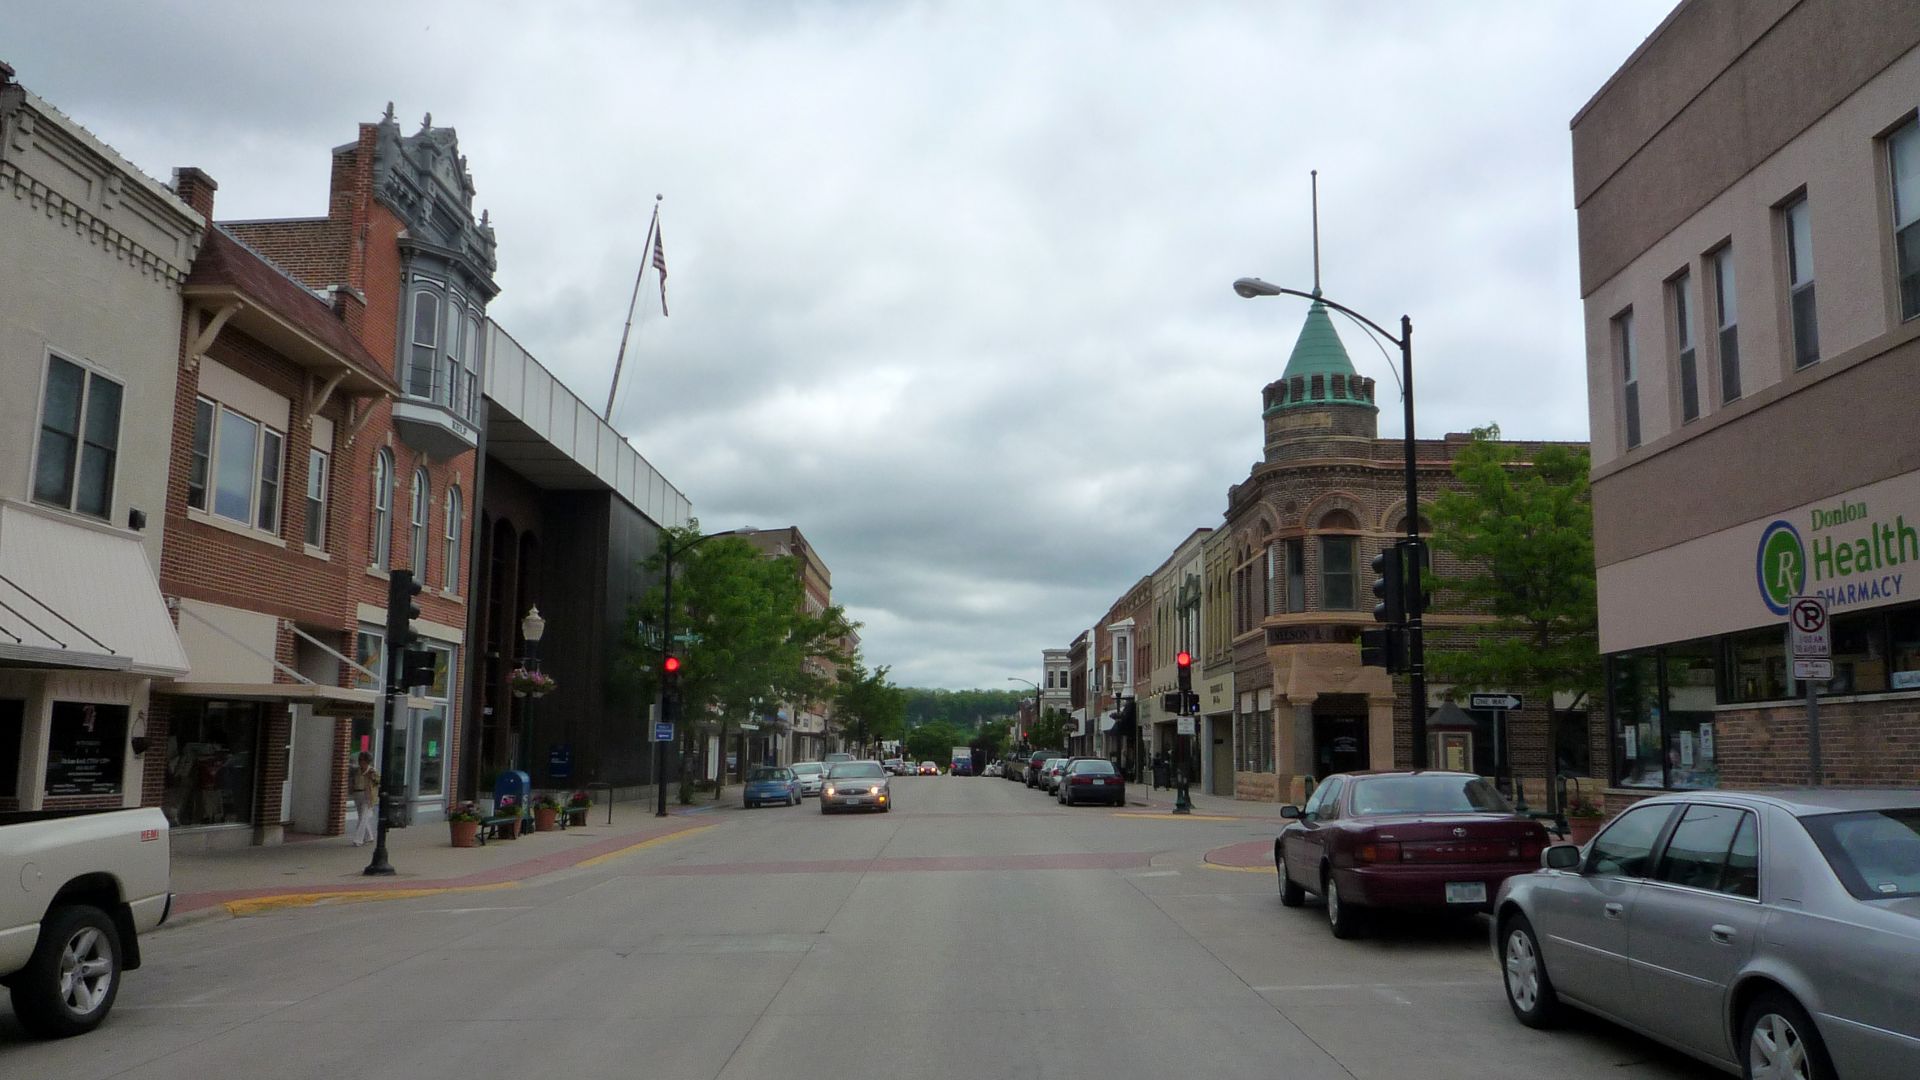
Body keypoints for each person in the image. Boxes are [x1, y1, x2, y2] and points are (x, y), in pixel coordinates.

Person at [351, 751, 380, 847]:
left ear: (367, 762)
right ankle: (369, 836)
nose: (360, 763)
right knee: (361, 816)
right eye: (360, 761)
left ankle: (358, 839)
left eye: (363, 761)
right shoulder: (357, 771)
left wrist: (372, 777)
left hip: (368, 796)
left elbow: (378, 781)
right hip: (357, 794)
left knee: (363, 817)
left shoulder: (372, 771)